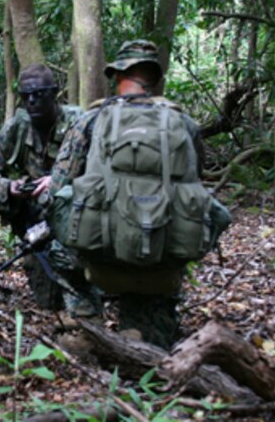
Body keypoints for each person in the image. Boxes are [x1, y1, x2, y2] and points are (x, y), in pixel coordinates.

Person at [49, 39, 207, 349]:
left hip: (100, 257)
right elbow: (195, 183)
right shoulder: (184, 125)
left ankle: (86, 322)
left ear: (118, 73)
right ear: (155, 78)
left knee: (57, 236)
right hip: (159, 260)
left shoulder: (91, 120)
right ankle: (145, 330)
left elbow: (57, 186)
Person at [0, 64, 102, 318]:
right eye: (26, 96)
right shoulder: (16, 127)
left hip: (74, 221)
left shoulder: (78, 123)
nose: (32, 101)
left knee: (82, 290)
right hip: (35, 224)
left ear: (54, 93)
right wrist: (10, 188)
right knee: (47, 302)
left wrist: (60, 182)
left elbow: (99, 175)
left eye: (39, 94)